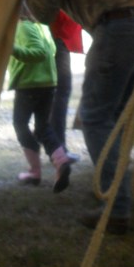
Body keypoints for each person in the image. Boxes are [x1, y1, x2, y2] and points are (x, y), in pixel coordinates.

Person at [27, 0, 134, 235]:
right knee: (114, 118)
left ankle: (117, 207)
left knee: (95, 117)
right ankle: (118, 195)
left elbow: (44, 11)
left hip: (115, 27)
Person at [8, 0, 71, 193]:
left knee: (20, 124)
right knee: (43, 127)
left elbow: (40, 52)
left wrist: (12, 49)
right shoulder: (42, 27)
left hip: (30, 85)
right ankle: (61, 161)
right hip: (47, 84)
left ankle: (35, 172)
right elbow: (52, 50)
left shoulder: (23, 27)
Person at [49, 9, 84, 164]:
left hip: (59, 36)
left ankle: (56, 147)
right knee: (60, 92)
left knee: (59, 92)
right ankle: (58, 148)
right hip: (57, 37)